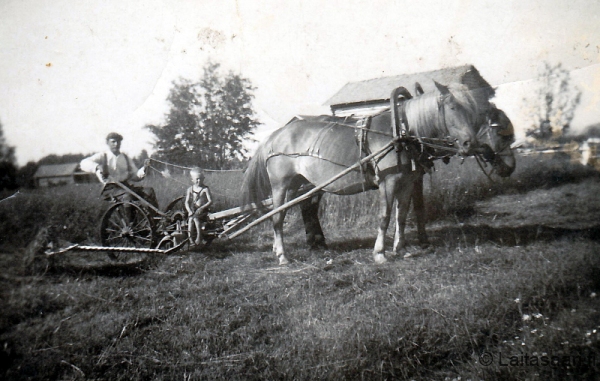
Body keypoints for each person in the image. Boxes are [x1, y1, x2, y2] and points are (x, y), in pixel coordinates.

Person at [80, 132, 158, 208]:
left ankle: (154, 218)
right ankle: (130, 221)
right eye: (113, 142)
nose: (116, 144)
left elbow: (136, 176)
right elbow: (83, 163)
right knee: (128, 196)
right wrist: (97, 166)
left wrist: (144, 168)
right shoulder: (103, 156)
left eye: (118, 142)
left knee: (149, 191)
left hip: (125, 186)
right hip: (110, 189)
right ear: (107, 143)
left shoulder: (126, 158)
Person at [185, 167, 213, 246]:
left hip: (202, 210)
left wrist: (202, 207)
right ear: (192, 179)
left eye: (201, 179)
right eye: (197, 179)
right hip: (193, 209)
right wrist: (189, 211)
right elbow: (186, 202)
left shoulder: (205, 189)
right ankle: (190, 240)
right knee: (190, 220)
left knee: (196, 220)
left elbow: (210, 201)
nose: (199, 181)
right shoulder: (190, 189)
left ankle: (198, 237)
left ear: (203, 178)